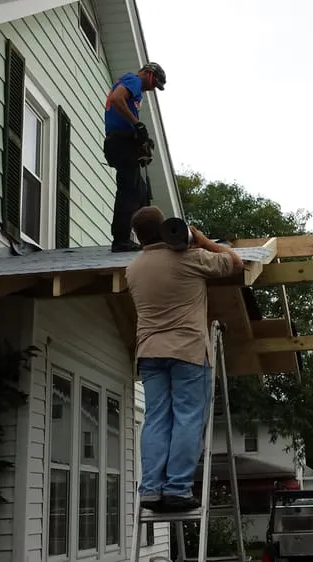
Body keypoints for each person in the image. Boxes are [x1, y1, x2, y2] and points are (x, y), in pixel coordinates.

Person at [125, 206, 245, 512]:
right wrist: (202, 240)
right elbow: (235, 263)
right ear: (166, 228)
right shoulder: (191, 259)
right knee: (187, 418)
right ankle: (177, 489)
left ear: (138, 237)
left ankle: (151, 489)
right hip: (187, 351)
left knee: (155, 419)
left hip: (149, 353)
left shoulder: (133, 269)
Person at [104, 62, 167, 253]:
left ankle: (145, 237)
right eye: (154, 83)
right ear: (149, 73)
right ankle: (121, 240)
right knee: (129, 190)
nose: (152, 89)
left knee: (140, 191)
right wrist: (137, 124)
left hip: (121, 142)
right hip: (121, 142)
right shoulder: (133, 80)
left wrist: (140, 141)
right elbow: (116, 98)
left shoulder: (133, 86)